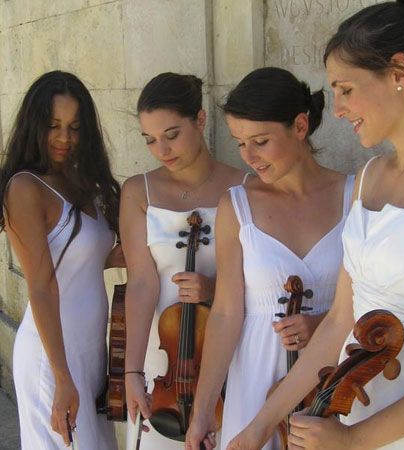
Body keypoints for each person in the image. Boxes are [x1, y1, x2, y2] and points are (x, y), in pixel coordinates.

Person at [223, 1, 404, 449]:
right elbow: (339, 322)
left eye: (346, 89)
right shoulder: (369, 177)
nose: (339, 108)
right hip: (354, 415)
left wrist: (356, 440)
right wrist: (258, 427)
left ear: (399, 72)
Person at [185, 67, 355, 450]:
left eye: (260, 141)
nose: (249, 157)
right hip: (256, 374)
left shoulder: (355, 194)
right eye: (240, 143)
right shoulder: (237, 204)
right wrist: (203, 409)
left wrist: (325, 323)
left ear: (299, 126)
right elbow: (227, 313)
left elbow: (373, 298)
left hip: (335, 375)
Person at [120, 72, 246, 450]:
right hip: (165, 355)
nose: (161, 150)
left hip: (226, 350)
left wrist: (214, 289)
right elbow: (142, 284)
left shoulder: (245, 185)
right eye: (150, 140)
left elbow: (259, 276)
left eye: (172, 135)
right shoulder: (137, 190)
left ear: (201, 120)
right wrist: (131, 370)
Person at [0, 71, 122, 449]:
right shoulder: (25, 187)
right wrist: (62, 376)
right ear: (36, 126)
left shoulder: (85, 182)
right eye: (54, 126)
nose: (65, 138)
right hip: (52, 360)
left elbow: (91, 262)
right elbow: (41, 283)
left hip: (89, 355)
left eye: (74, 127)